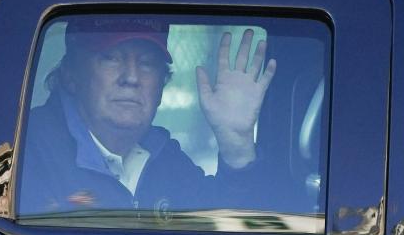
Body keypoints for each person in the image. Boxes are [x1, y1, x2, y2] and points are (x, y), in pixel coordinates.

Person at [18, 16, 277, 219]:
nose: (131, 77)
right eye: (111, 58)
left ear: (161, 86)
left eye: (147, 63)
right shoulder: (28, 153)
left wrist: (236, 145)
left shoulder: (164, 158)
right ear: (71, 74)